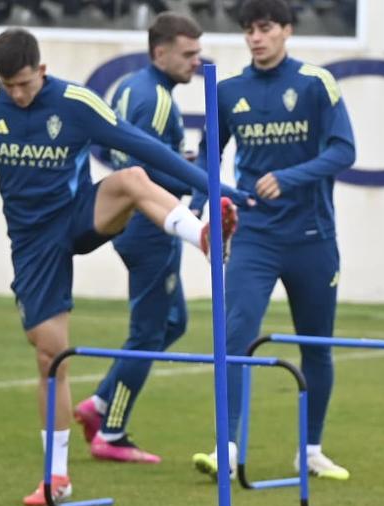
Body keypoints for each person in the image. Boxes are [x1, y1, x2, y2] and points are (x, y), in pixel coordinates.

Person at [0, 27, 243, 506]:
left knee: (132, 178)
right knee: (51, 357)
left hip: (78, 216)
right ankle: (57, 477)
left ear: (42, 70)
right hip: (33, 244)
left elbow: (146, 147)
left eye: (25, 84)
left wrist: (215, 186)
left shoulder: (75, 102)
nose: (17, 94)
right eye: (8, 86)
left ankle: (201, 235)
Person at [191, 0, 356, 481]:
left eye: (264, 28)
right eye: (248, 29)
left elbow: (344, 150)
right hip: (254, 235)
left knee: (315, 345)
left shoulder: (315, 83)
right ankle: (226, 449)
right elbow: (208, 155)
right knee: (235, 336)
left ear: (286, 30)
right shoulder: (226, 90)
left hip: (312, 237)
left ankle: (311, 451)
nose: (255, 37)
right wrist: (204, 202)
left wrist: (289, 177)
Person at [74, 13, 227, 464]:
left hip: (139, 222)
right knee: (147, 333)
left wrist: (180, 163)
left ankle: (99, 402)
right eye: (188, 54)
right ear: (160, 53)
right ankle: (112, 430)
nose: (196, 62)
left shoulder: (132, 87)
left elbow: (124, 155)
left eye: (198, 53)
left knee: (173, 323)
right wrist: (194, 174)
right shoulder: (156, 100)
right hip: (149, 227)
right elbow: (142, 170)